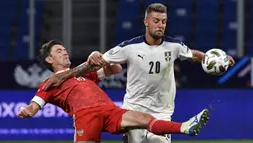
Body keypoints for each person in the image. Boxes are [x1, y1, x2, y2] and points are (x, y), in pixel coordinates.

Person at [86, 3, 236, 143]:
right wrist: (92, 56)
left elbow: (193, 55)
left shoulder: (174, 46)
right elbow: (100, 60)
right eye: (156, 21)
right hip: (134, 110)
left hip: (162, 113)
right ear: (146, 22)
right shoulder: (130, 47)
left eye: (163, 22)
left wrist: (215, 59)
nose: (160, 25)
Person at [18, 40, 210, 143]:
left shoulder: (84, 75)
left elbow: (115, 69)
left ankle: (184, 127)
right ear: (50, 60)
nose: (65, 52)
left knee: (144, 119)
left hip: (109, 110)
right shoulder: (49, 82)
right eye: (59, 51)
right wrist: (29, 110)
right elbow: (35, 105)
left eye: (64, 49)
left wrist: (99, 58)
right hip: (86, 115)